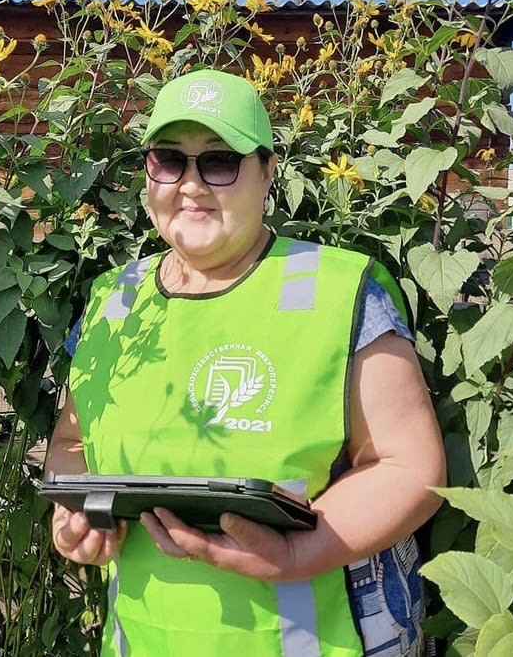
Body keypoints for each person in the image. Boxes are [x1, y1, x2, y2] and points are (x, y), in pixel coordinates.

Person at [45, 68, 446, 657]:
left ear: (267, 173)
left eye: (219, 161)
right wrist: (76, 517)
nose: (191, 184)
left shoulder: (340, 291)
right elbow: (72, 444)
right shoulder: (113, 300)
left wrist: (298, 553)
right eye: (169, 160)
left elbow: (410, 467)